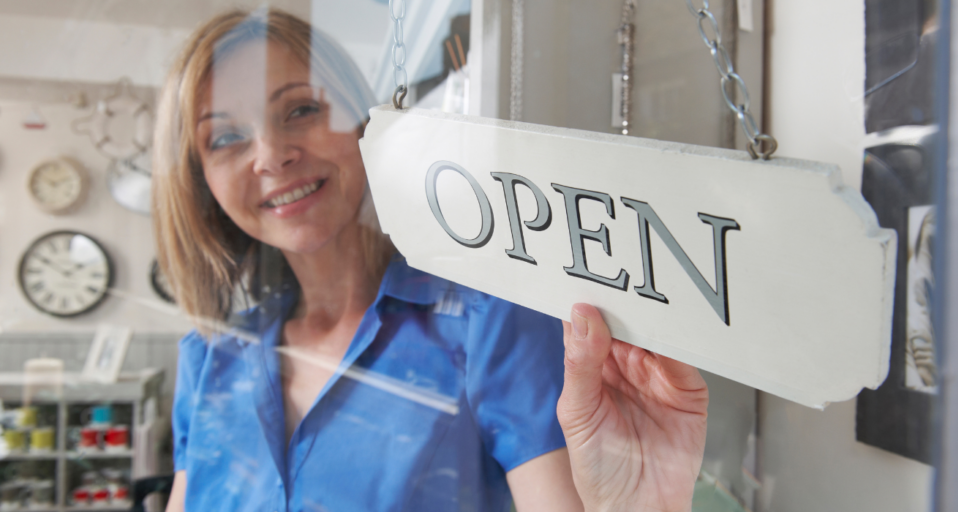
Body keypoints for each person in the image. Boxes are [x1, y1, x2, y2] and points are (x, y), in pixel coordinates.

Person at [153, 9, 708, 512]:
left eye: (300, 109)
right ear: (199, 183)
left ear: (363, 124)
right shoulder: (211, 361)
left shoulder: (489, 320)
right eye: (225, 138)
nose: (272, 156)